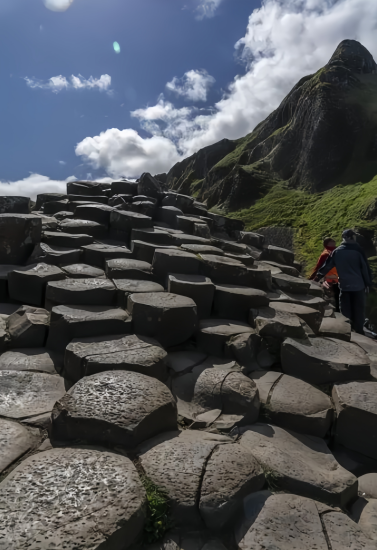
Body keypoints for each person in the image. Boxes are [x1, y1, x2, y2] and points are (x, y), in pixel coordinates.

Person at [315, 229, 373, 334]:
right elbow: (365, 269)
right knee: (359, 309)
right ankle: (359, 330)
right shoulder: (358, 251)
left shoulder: (337, 251)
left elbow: (327, 265)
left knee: (345, 310)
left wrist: (318, 276)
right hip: (358, 286)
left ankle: (346, 331)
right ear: (352, 238)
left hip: (345, 285)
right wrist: (368, 283)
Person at [309, 237, 340, 311]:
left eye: (333, 241)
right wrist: (313, 277)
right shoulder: (327, 253)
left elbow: (319, 267)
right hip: (333, 278)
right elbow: (319, 266)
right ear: (327, 244)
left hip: (335, 277)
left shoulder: (335, 252)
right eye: (331, 242)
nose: (333, 242)